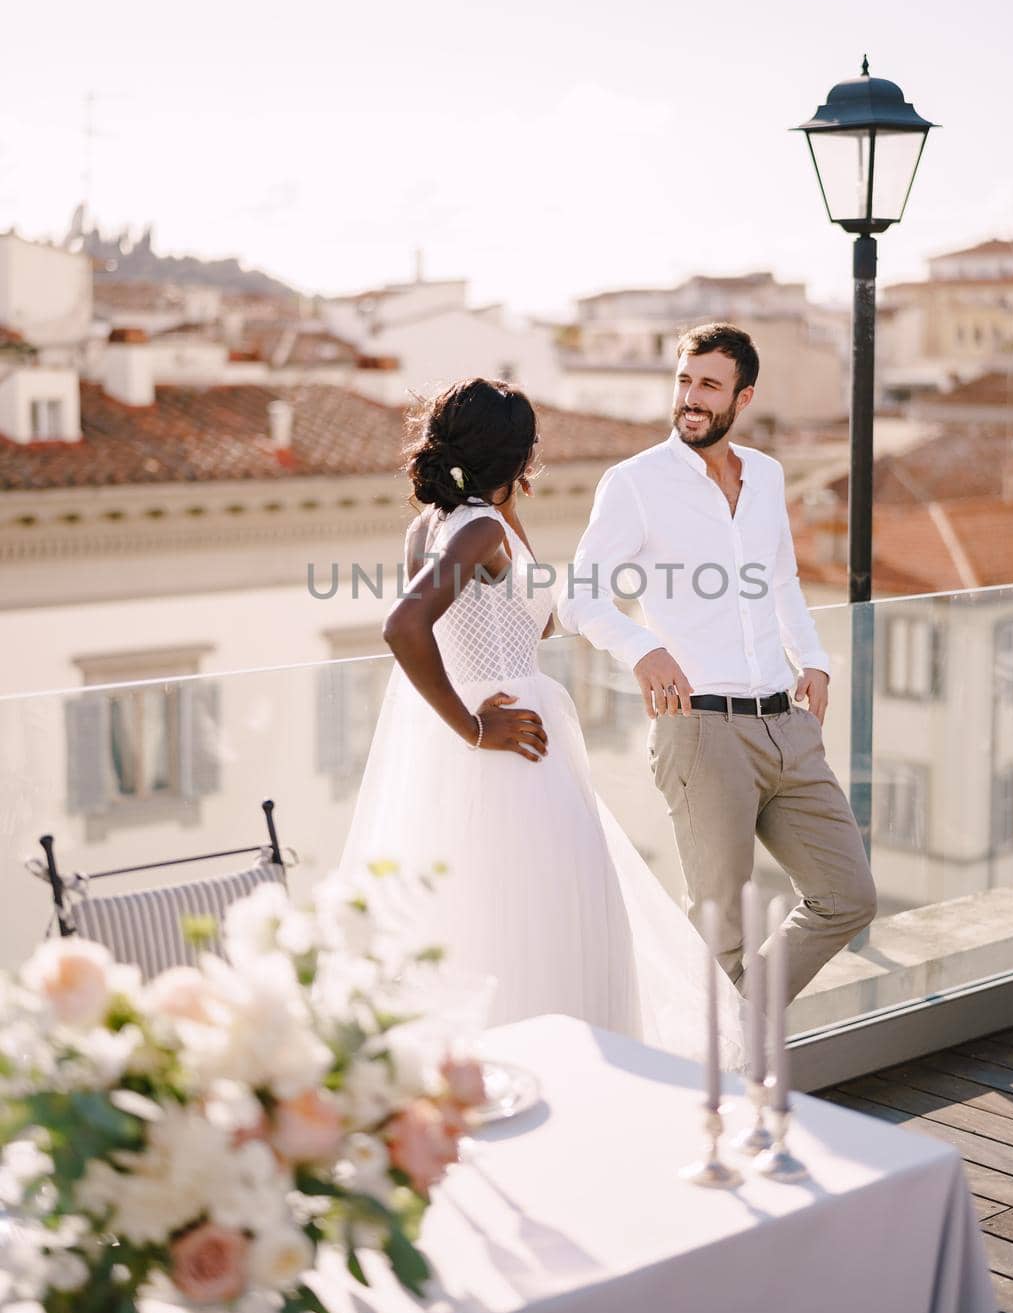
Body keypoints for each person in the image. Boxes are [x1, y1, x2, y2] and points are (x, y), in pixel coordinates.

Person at [340, 376, 745, 1068]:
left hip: (496, 741)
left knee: (493, 918)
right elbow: (405, 625)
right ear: (518, 456)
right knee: (551, 918)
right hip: (510, 744)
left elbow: (532, 613)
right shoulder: (479, 529)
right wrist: (473, 726)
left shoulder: (440, 524)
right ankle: (567, 1075)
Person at [557, 323, 877, 1004]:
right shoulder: (634, 483)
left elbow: (781, 578)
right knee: (719, 940)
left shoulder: (764, 474)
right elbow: (579, 596)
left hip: (785, 728)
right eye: (683, 381)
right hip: (700, 734)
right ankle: (726, 1073)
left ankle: (734, 1037)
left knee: (846, 896)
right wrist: (642, 649)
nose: (690, 399)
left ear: (743, 396)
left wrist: (813, 660)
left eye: (708, 385)